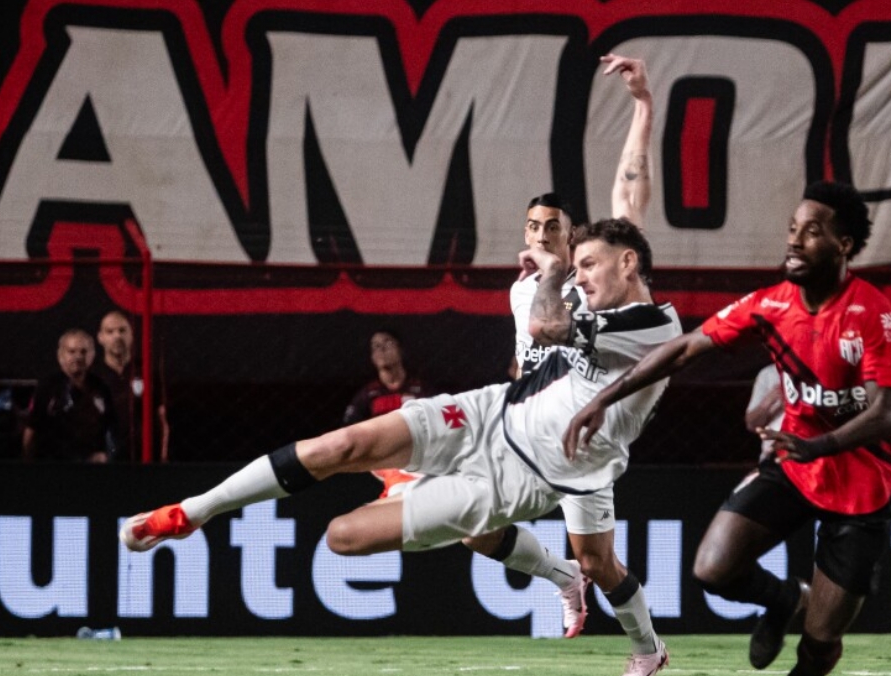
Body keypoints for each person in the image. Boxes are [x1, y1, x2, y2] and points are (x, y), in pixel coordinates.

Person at [120, 219, 681, 651]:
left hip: (540, 470)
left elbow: (550, 321)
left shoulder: (644, 323)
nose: (573, 267)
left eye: (584, 259)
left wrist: (556, 271)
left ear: (627, 261)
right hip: (493, 411)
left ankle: (637, 640)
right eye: (535, 228)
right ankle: (193, 511)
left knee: (345, 536)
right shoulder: (563, 292)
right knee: (340, 446)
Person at [564, 181, 891, 676]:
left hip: (859, 484)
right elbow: (684, 348)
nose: (794, 240)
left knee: (822, 640)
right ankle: (784, 599)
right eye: (792, 229)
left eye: (811, 231)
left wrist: (819, 444)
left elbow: (889, 414)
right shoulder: (773, 304)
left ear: (844, 245)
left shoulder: (871, 313)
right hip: (794, 465)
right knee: (712, 569)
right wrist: (603, 398)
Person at [464, 53, 668, 676]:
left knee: (600, 561)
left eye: (553, 226)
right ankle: (559, 577)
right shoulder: (522, 290)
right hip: (531, 427)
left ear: (572, 233)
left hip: (584, 438)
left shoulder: (593, 278)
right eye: (533, 226)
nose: (542, 234)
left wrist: (642, 105)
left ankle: (647, 648)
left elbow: (630, 193)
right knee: (471, 524)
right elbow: (525, 357)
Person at [342, 329, 431, 497]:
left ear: (400, 350)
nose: (381, 350)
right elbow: (350, 428)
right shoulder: (367, 394)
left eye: (388, 343)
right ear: (372, 357)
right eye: (375, 346)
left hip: (417, 454)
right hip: (382, 458)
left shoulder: (421, 389)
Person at [23, 329, 116, 462]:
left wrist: (107, 455)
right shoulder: (47, 387)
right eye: (72, 351)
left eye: (83, 352)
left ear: (92, 355)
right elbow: (32, 430)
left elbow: (110, 428)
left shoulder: (101, 387)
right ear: (61, 355)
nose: (78, 357)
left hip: (91, 464)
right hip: (54, 464)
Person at [92, 310, 169, 462]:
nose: (117, 336)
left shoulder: (147, 371)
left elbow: (162, 418)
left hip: (144, 458)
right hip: (106, 460)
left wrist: (163, 455)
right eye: (110, 331)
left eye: (122, 330)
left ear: (131, 335)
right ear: (100, 337)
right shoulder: (93, 376)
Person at [745, 363, 784, 461]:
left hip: (806, 449)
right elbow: (752, 425)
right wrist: (768, 402)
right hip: (773, 453)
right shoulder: (769, 374)